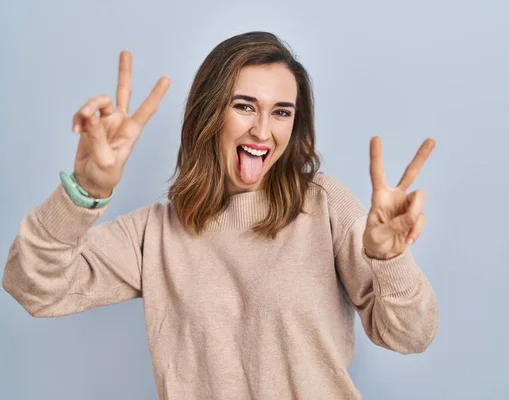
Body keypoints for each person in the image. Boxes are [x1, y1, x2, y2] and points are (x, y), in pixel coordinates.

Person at [2, 31, 438, 399]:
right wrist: (86, 191)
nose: (262, 131)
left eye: (281, 112)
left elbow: (409, 335)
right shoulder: (155, 233)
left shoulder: (323, 205)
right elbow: (33, 287)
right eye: (244, 105)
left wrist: (389, 260)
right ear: (210, 112)